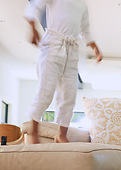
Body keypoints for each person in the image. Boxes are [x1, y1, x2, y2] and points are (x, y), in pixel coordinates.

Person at [24, 0, 102, 144]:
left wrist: (95, 47)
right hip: (53, 43)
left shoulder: (82, 5)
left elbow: (85, 30)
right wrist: (33, 29)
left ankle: (61, 135)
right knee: (46, 91)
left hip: (72, 49)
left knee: (69, 95)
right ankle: (33, 131)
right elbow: (34, 6)